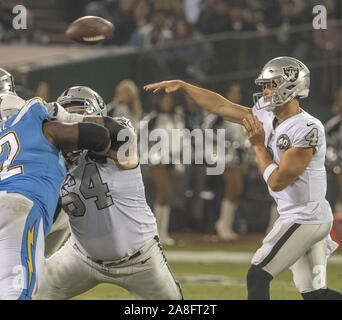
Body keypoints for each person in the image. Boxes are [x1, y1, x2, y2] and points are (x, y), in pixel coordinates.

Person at [144, 56, 342, 300]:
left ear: (291, 87)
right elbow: (222, 107)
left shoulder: (307, 128)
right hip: (304, 214)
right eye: (265, 86)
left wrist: (258, 146)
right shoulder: (270, 116)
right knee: (316, 296)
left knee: (257, 275)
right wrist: (185, 86)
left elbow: (278, 181)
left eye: (271, 85)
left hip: (305, 217)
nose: (265, 91)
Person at [33, 86, 183, 300]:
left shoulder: (116, 145)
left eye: (77, 113)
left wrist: (66, 117)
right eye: (66, 114)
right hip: (81, 257)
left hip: (139, 260)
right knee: (30, 293)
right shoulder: (54, 159)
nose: (69, 122)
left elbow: (118, 133)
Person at [0, 89, 114, 300]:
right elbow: (99, 135)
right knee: (18, 292)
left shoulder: (7, 132)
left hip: (13, 200)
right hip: (22, 206)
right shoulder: (48, 128)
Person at [141, 93, 185, 245]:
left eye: (169, 100)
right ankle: (156, 232)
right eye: (164, 100)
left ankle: (163, 232)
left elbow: (180, 139)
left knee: (167, 196)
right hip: (156, 161)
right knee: (163, 193)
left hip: (171, 160)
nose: (167, 103)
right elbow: (141, 137)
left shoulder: (176, 118)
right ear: (158, 102)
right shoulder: (152, 118)